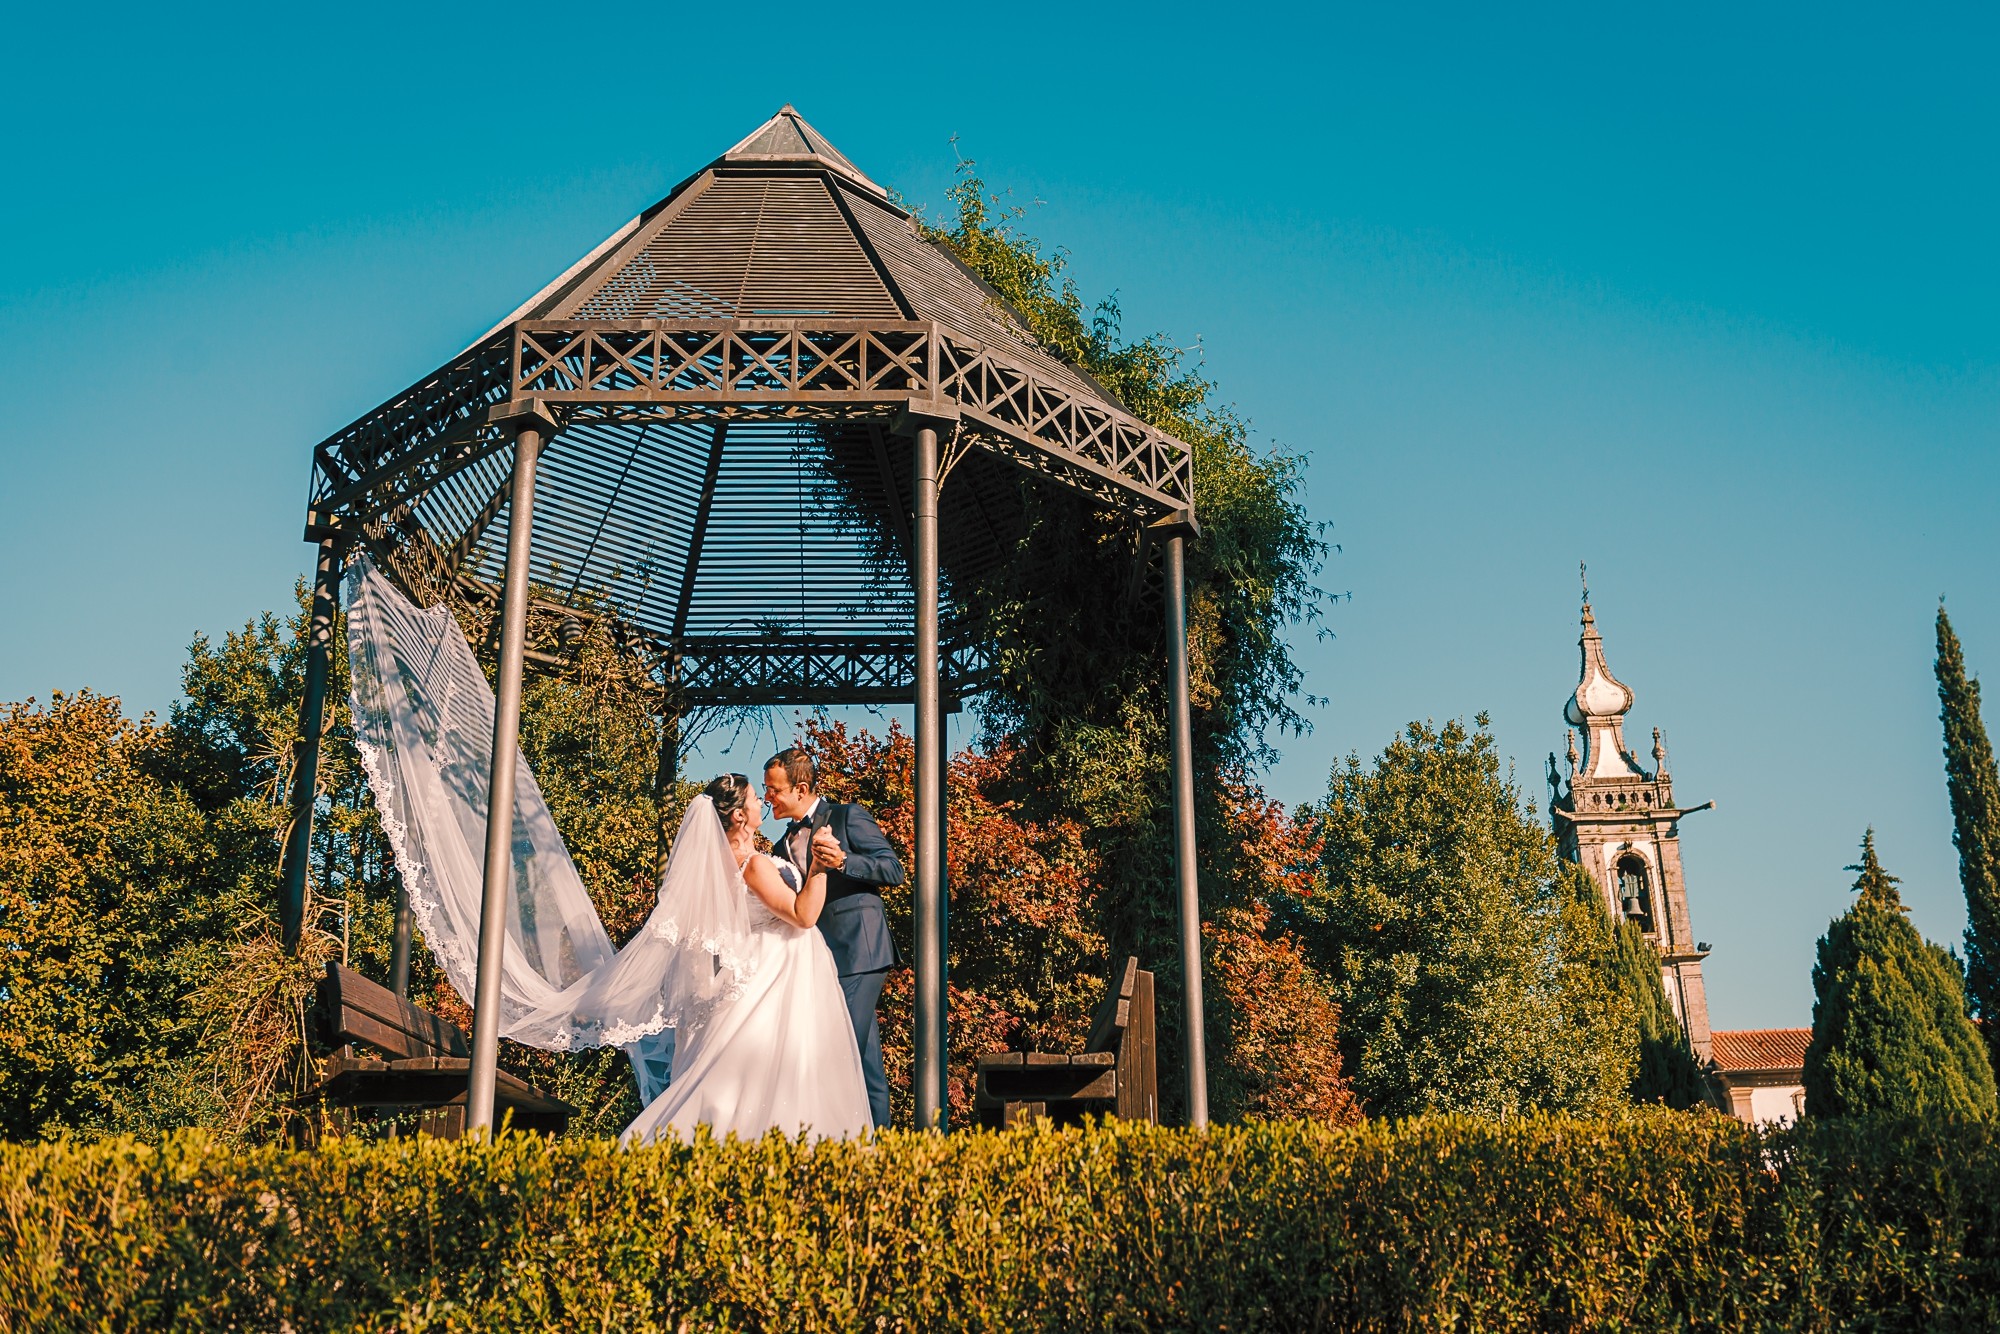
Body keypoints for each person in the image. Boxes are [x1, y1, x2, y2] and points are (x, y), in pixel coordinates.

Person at [620, 775, 871, 1145]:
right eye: (756, 798)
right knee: (783, 1068)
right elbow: (803, 916)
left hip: (767, 963)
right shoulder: (753, 865)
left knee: (756, 1073)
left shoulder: (723, 866)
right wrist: (819, 868)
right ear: (739, 816)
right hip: (780, 973)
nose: (762, 803)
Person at [763, 747, 904, 1129]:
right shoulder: (779, 849)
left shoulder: (846, 816)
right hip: (819, 963)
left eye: (773, 790)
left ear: (801, 787)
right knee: (866, 1063)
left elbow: (894, 869)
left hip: (861, 951)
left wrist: (843, 862)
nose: (767, 798)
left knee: (836, 1051)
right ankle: (885, 1154)